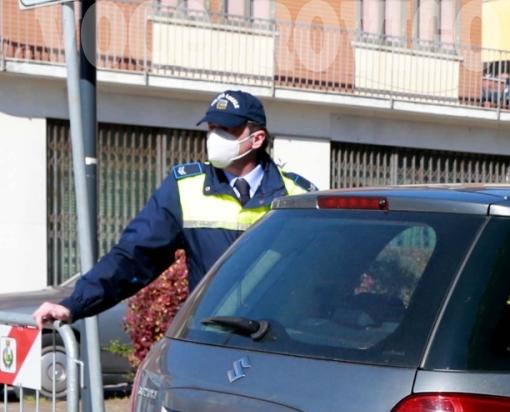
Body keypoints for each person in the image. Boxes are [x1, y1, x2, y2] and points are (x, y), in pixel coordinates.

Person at [32, 90, 316, 330]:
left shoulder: (298, 196)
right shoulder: (185, 188)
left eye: (226, 130)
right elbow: (133, 256)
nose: (214, 137)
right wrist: (74, 304)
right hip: (210, 340)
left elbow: (321, 277)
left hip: (275, 343)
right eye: (211, 129)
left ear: (256, 139)